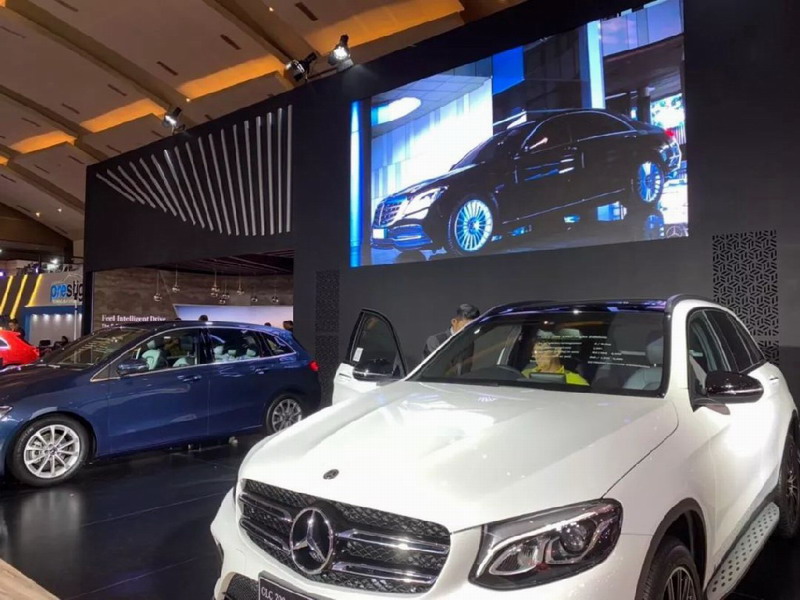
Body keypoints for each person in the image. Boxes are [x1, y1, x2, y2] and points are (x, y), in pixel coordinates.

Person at [522, 330, 588, 386]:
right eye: (535, 352)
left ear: (556, 352)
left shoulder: (575, 381)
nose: (537, 356)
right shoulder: (525, 375)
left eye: (542, 351)